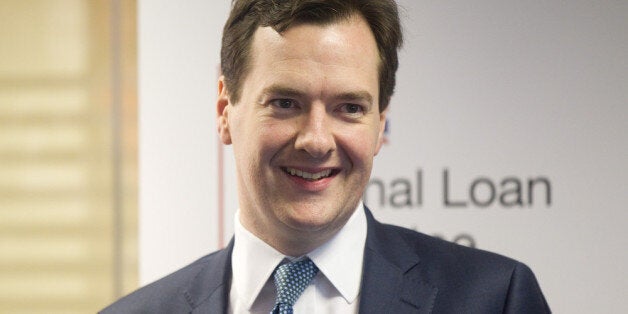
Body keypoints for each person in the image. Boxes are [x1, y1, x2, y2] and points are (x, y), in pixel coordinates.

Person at [102, 0, 550, 313]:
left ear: (379, 124)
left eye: (349, 108)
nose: (316, 140)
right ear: (224, 110)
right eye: (284, 103)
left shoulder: (494, 300)